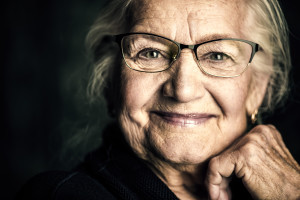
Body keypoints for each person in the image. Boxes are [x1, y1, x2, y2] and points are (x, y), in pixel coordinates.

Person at [16, 0, 300, 199]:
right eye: (151, 52)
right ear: (110, 79)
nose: (183, 90)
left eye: (217, 55)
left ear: (257, 88)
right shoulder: (62, 195)